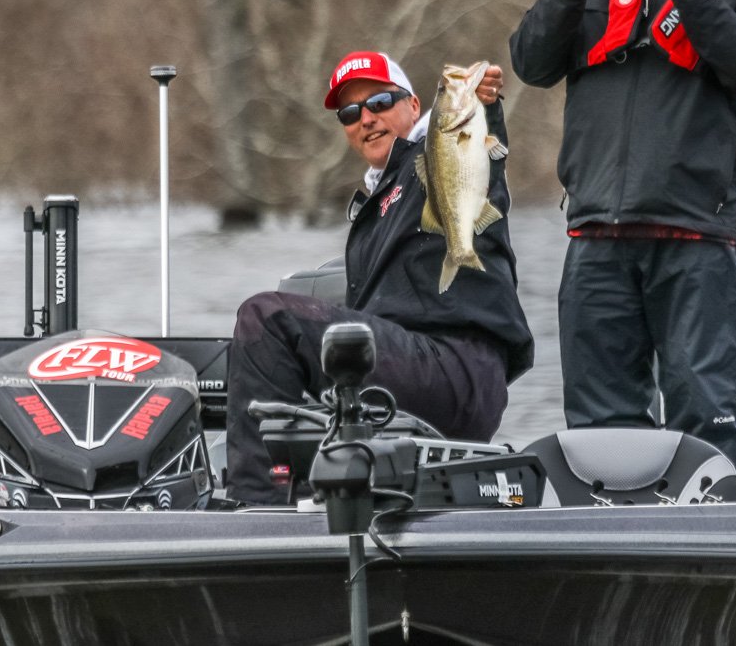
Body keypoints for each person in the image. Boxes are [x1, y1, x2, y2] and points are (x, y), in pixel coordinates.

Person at [508, 0, 736, 470]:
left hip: (695, 241)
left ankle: (707, 537)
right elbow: (530, 61)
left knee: (702, 411)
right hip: (597, 238)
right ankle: (613, 533)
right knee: (601, 430)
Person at [225, 50, 534, 505]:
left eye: (381, 102)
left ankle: (255, 507)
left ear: (414, 106)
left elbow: (474, 148)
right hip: (409, 368)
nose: (366, 118)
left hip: (456, 368)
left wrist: (481, 101)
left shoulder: (438, 155)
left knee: (265, 317)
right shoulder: (376, 205)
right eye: (350, 113)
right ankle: (309, 494)